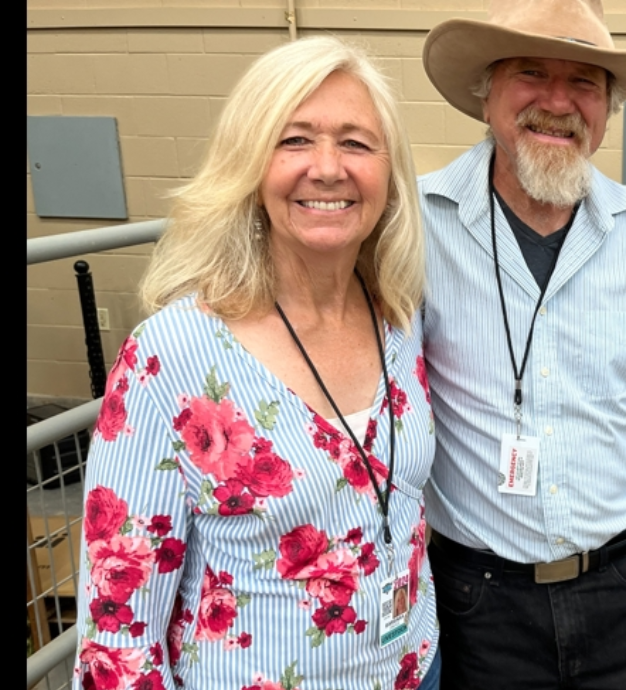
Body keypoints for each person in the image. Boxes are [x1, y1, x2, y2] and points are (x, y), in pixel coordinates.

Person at [73, 36, 442, 690]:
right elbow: (119, 625)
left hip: (414, 669)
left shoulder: (396, 316)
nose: (327, 168)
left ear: (391, 173)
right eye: (294, 140)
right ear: (249, 165)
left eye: (356, 142)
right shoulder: (174, 355)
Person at [417, 0, 626, 687]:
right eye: (532, 72)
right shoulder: (418, 226)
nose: (558, 102)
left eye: (585, 82)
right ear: (485, 93)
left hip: (622, 587)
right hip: (476, 601)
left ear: (608, 109)